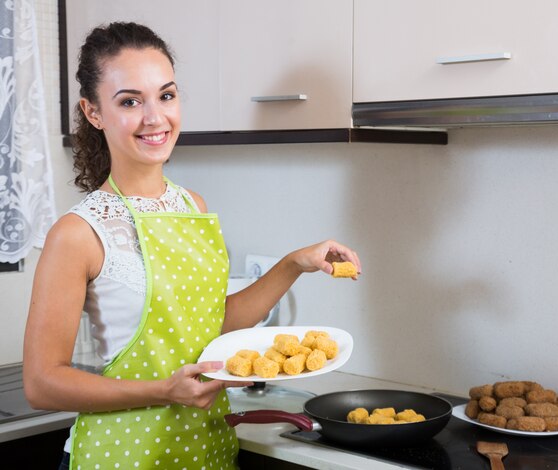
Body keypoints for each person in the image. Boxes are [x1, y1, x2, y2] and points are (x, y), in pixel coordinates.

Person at [22, 22, 361, 470]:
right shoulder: (78, 232)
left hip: (205, 450)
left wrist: (294, 264)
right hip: (121, 456)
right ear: (94, 112)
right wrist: (163, 389)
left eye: (166, 95)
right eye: (129, 101)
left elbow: (211, 323)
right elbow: (42, 384)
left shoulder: (190, 206)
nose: (155, 117)